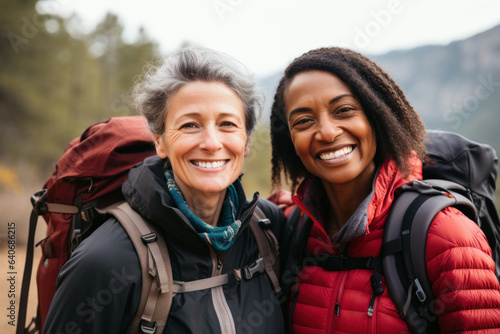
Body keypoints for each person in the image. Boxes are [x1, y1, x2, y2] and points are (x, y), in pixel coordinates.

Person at [43, 47, 286, 333]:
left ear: (246, 142)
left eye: (227, 124)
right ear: (160, 142)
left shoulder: (268, 231)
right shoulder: (106, 261)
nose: (211, 142)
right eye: (190, 124)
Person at [269, 47, 500, 333]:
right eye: (303, 120)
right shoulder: (296, 231)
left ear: (377, 116)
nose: (327, 132)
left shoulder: (446, 236)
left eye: (344, 110)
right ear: (289, 139)